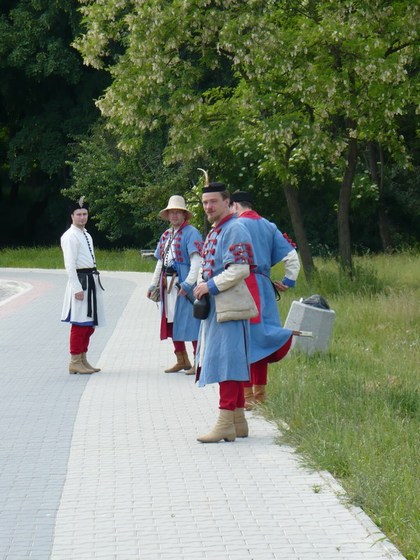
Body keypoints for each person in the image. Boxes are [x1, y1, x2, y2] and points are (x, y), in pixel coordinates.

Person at [193, 176, 254, 443]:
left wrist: (208, 286)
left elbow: (240, 269)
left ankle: (224, 423)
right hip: (219, 307)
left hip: (228, 306)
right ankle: (238, 422)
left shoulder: (235, 228)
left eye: (213, 201)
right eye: (205, 202)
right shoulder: (217, 229)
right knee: (231, 361)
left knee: (227, 362)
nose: (208, 207)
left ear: (227, 202)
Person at [231, 190, 300, 409]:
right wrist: (288, 281)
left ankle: (246, 396)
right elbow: (292, 257)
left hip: (241, 285)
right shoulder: (269, 226)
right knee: (261, 339)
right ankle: (260, 396)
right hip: (264, 288)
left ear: (235, 206)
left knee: (243, 340)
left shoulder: (234, 225)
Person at [147, 195, 202, 374]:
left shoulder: (191, 233)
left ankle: (198, 362)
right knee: (171, 320)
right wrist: (153, 285)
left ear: (184, 214)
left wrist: (188, 284)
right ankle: (181, 359)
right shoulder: (166, 235)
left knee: (191, 322)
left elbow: (196, 261)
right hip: (167, 284)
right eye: (172, 212)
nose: (174, 215)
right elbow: (160, 262)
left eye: (178, 212)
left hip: (183, 283)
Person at [61, 197, 105, 374]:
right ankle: (75, 361)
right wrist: (77, 288)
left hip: (91, 280)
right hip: (81, 282)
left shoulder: (86, 234)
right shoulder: (69, 236)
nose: (82, 217)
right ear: (72, 216)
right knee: (80, 324)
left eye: (84, 214)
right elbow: (69, 264)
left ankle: (82, 358)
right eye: (78, 214)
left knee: (89, 325)